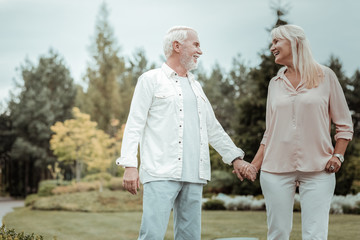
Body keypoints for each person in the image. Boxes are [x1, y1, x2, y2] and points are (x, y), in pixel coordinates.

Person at [116, 26, 257, 240]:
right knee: (152, 235)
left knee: (190, 237)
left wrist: (235, 158)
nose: (200, 51)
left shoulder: (196, 86)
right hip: (160, 171)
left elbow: (213, 127)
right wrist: (129, 165)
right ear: (177, 46)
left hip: (194, 174)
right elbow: (134, 123)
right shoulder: (150, 79)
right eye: (196, 44)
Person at [246, 24, 353, 240]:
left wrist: (338, 155)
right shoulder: (275, 84)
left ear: (295, 41)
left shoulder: (326, 76)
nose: (271, 47)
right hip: (275, 170)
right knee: (277, 233)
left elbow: (344, 124)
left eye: (276, 42)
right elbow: (270, 131)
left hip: (319, 168)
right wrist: (254, 165)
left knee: (315, 234)